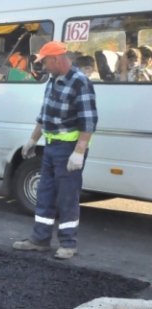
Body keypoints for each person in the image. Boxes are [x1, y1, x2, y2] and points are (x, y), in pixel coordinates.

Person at [13, 41, 98, 260]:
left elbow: (88, 122)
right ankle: (40, 239)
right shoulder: (52, 82)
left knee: (67, 197)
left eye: (45, 61)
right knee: (45, 194)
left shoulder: (80, 83)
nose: (43, 66)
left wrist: (79, 151)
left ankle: (68, 244)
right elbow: (44, 116)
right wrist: (32, 140)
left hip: (68, 150)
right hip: (50, 148)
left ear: (57, 59)